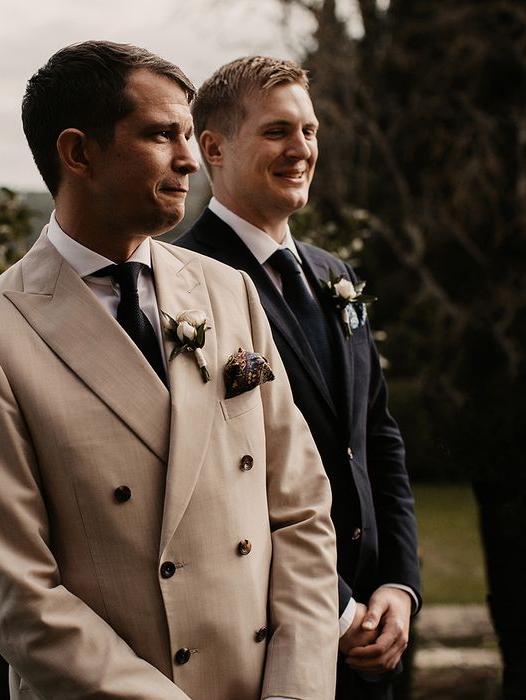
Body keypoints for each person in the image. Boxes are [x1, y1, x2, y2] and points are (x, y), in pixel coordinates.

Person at [0, 41, 339, 700]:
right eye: (160, 135)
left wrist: (295, 689)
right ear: (78, 153)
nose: (188, 159)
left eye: (187, 134)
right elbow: (18, 597)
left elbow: (300, 511)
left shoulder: (229, 292)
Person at [176, 56, 422, 700]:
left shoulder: (332, 273)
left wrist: (399, 586)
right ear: (213, 149)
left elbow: (377, 437)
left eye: (310, 132)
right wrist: (337, 612)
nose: (302, 149)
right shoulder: (179, 286)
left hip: (377, 630)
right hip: (271, 639)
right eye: (278, 131)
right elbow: (211, 488)